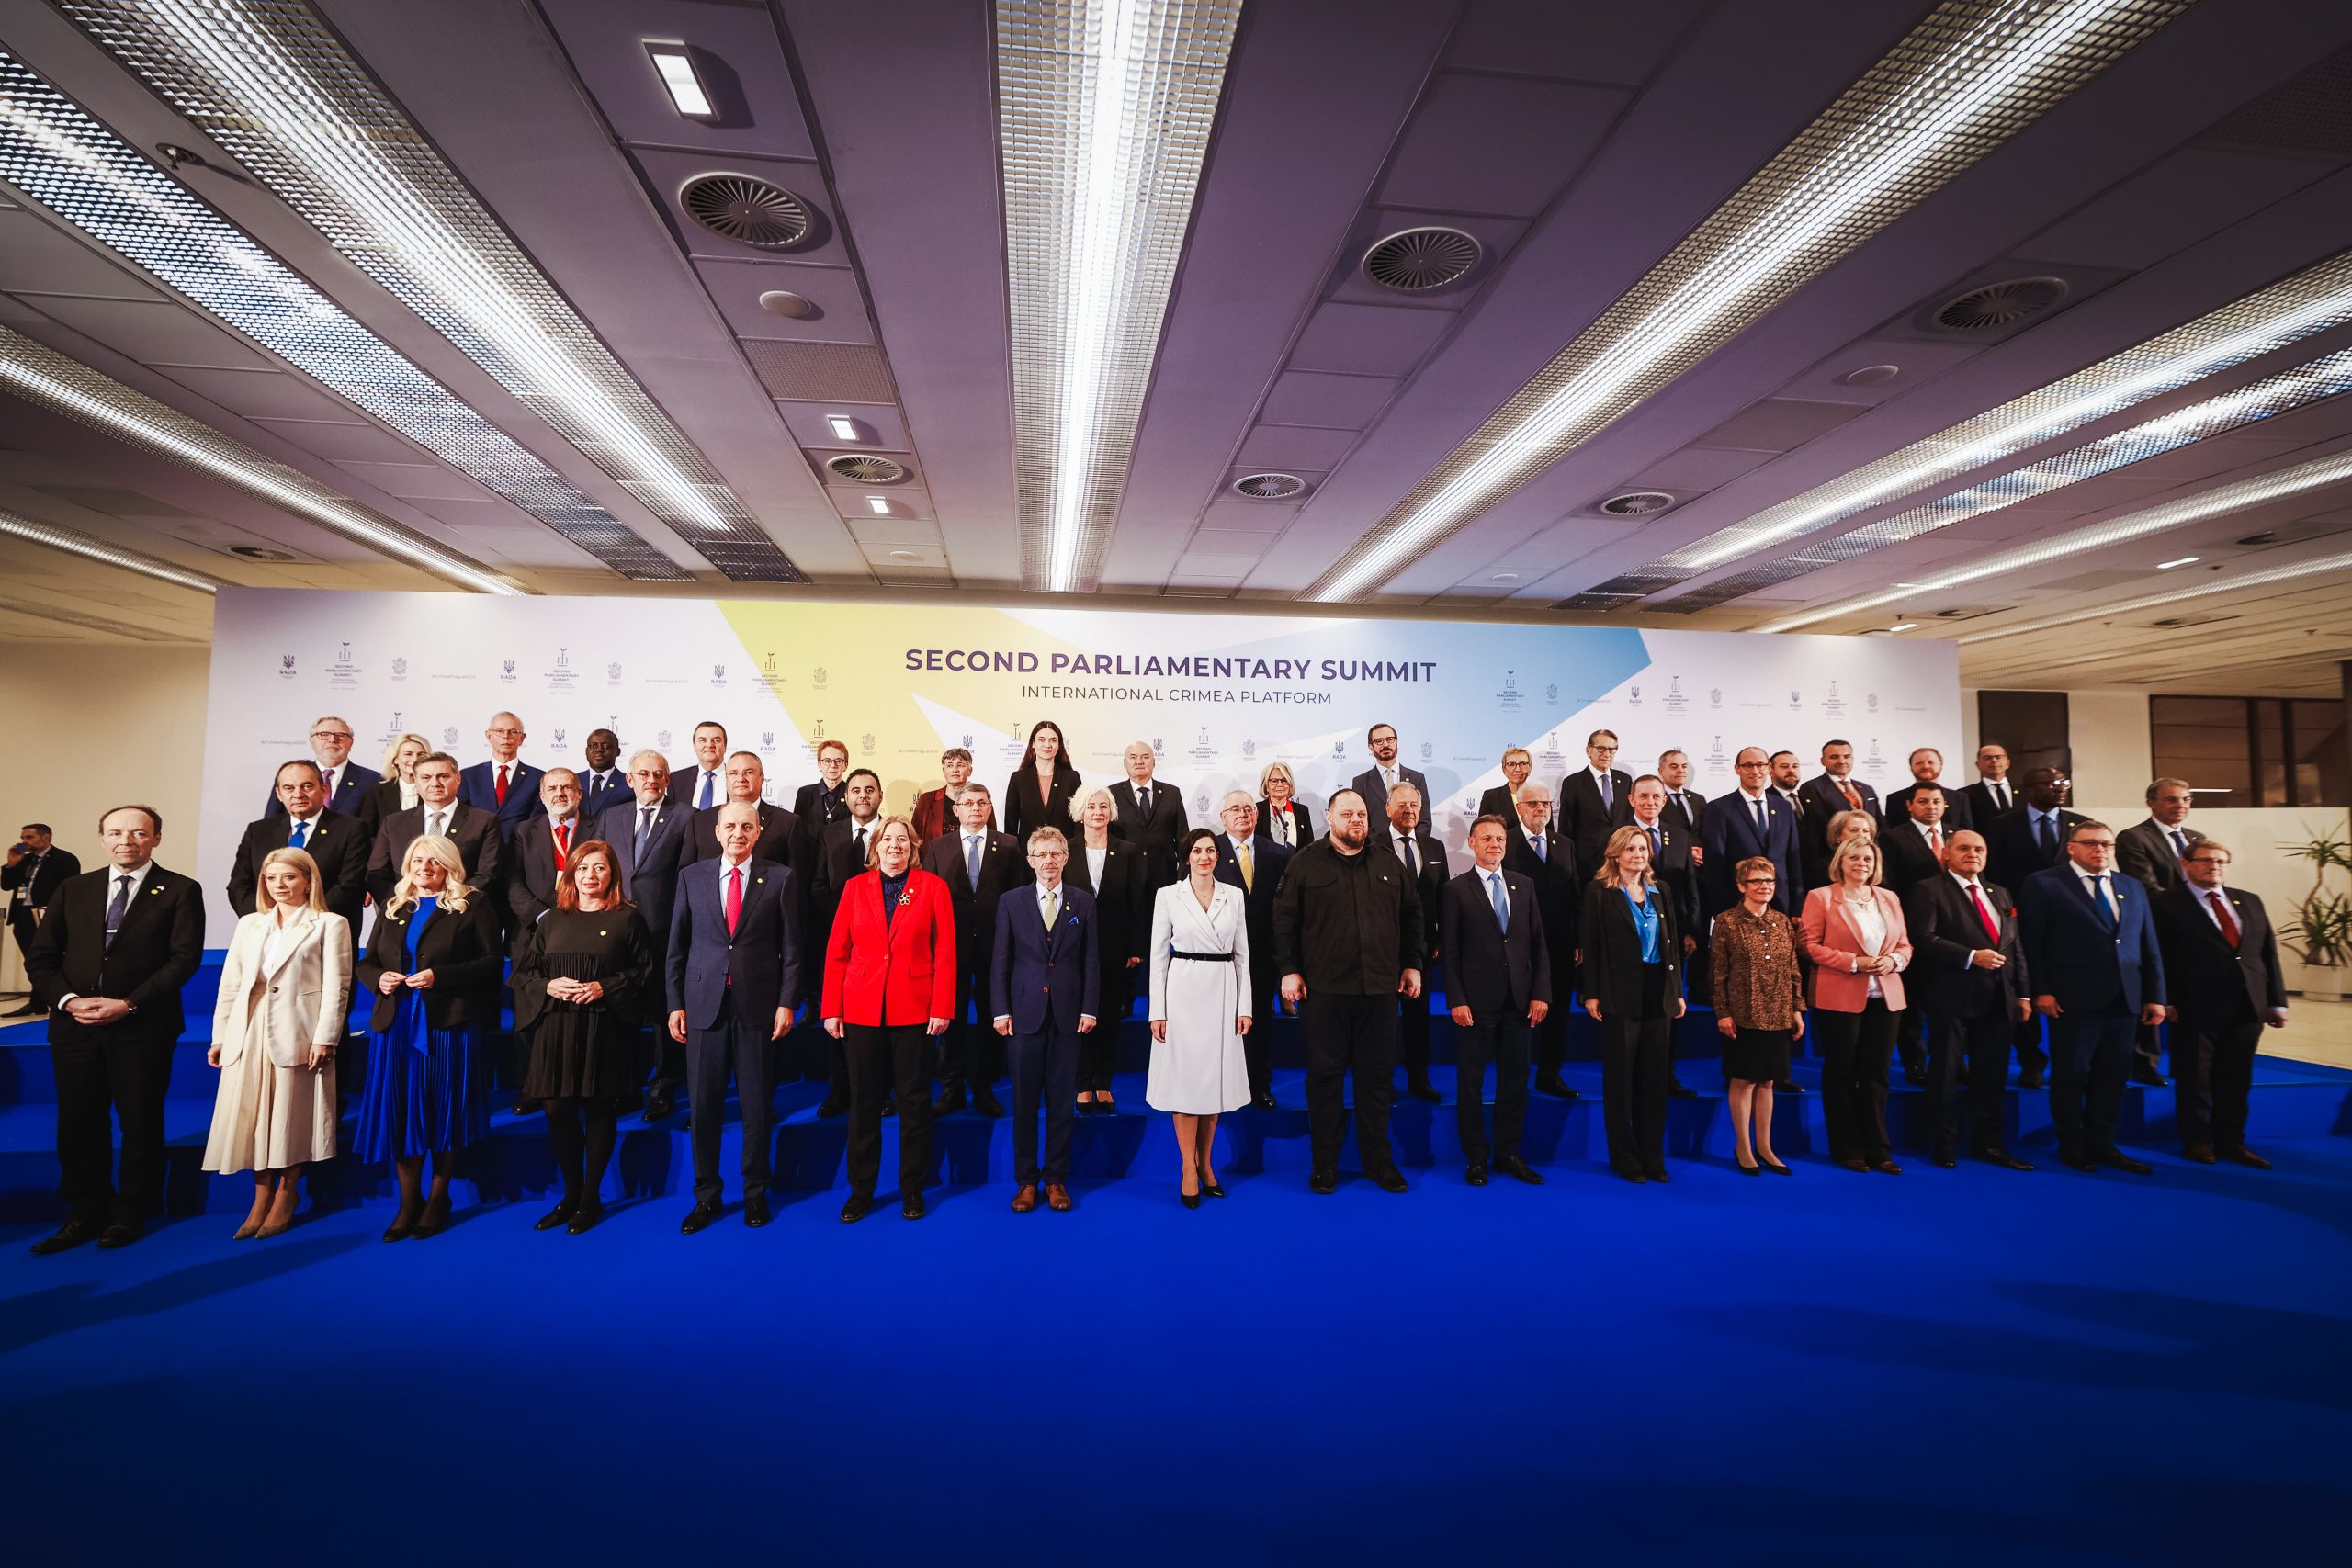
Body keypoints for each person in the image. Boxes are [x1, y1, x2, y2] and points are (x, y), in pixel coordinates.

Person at [25, 805, 204, 1254]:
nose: (127, 840)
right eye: (117, 832)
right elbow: (42, 958)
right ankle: (85, 1212)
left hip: (142, 1026)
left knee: (140, 1122)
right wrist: (68, 1001)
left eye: (139, 833)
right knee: (78, 1124)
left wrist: (128, 1003)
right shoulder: (73, 889)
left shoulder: (181, 890)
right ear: (102, 838)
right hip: (75, 1027)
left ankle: (130, 1213)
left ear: (156, 839)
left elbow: (183, 960)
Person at [1274, 788, 1424, 1194]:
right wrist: (1288, 970)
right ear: (1329, 818)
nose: (1355, 820)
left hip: (1379, 990)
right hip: (1324, 993)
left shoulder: (1388, 862)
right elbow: (1284, 921)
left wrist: (1412, 963)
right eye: (1346, 814)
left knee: (1376, 1079)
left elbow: (1412, 916)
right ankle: (1325, 1164)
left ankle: (1378, 1161)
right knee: (1325, 1079)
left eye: (1361, 814)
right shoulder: (1305, 863)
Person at [356, 833, 503, 1241]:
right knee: (402, 1110)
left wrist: (443, 976)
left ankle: (438, 1199)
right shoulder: (394, 905)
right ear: (408, 865)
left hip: (447, 1025)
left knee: (443, 1112)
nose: (425, 868)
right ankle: (408, 1204)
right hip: (397, 1023)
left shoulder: (472, 903)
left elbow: (492, 961)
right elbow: (367, 963)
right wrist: (378, 979)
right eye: (418, 860)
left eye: (434, 862)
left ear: (449, 866)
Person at [667, 801, 801, 1232]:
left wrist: (786, 1001)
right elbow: (677, 948)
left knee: (756, 1107)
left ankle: (755, 1193)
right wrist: (675, 1003)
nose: (738, 833)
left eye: (747, 826)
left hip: (758, 1007)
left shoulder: (780, 877)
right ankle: (706, 1195)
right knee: (704, 1108)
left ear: (758, 832)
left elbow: (794, 950)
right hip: (703, 1006)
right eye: (731, 826)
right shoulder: (692, 877)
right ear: (717, 832)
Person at [203, 846, 348, 1239]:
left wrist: (325, 1037)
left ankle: (287, 1193)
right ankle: (260, 1196)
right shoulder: (250, 924)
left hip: (297, 1030)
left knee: (289, 1114)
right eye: (271, 878)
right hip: (248, 1030)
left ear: (307, 881)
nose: (279, 885)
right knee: (252, 1115)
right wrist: (221, 1036)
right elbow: (230, 984)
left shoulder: (328, 923)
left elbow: (337, 987)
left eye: (289, 877)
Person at [513, 840, 653, 1234]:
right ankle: (570, 1194)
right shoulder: (553, 920)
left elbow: (645, 971)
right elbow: (524, 974)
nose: (591, 876)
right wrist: (548, 986)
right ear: (571, 874)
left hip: (603, 1025)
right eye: (584, 868)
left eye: (600, 869)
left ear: (613, 875)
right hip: (556, 1025)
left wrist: (604, 987)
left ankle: (590, 1198)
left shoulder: (628, 918)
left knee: (598, 1109)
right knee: (557, 1110)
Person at [822, 817, 955, 1223]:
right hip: (861, 1008)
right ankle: (861, 1191)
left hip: (915, 1009)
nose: (894, 845)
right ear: (874, 846)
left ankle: (912, 1189)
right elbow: (837, 950)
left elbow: (946, 951)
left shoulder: (933, 887)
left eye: (902, 839)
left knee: (914, 1104)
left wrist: (942, 1006)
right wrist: (831, 1007)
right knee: (863, 1104)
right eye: (887, 839)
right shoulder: (853, 888)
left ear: (913, 847)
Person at [2018, 820, 2166, 1175]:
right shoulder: (2044, 883)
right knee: (2071, 1074)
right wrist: (2042, 989)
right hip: (2072, 999)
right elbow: (2032, 944)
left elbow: (2148, 944)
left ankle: (2103, 1143)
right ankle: (2072, 1144)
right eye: (2091, 844)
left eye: (2106, 844)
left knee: (2113, 1076)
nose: (2100, 850)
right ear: (2072, 847)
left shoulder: (2131, 886)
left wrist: (2156, 995)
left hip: (2126, 998)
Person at [1903, 830, 2035, 1170]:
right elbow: (1922, 937)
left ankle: (1988, 1145)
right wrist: (1970, 956)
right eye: (1963, 848)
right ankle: (1944, 1146)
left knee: (1992, 1077)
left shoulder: (2000, 892)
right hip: (1951, 998)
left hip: (2000, 999)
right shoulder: (1928, 889)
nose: (1972, 853)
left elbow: (2014, 946)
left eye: (1979, 848)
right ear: (1946, 854)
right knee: (1945, 1075)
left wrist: (2022, 993)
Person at [2154, 840, 2284, 1168]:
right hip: (2194, 1006)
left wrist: (2276, 1001)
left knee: (2237, 1078)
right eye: (2207, 861)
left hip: (2247, 1005)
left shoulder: (2249, 900)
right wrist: (2164, 999)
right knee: (2196, 1079)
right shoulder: (2165, 903)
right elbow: (2159, 958)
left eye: (2222, 862)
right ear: (2185, 864)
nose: (2215, 867)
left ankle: (2231, 1140)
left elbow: (2267, 953)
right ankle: (2197, 1140)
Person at [993, 827, 1099, 1213]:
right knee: (1023, 1102)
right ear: (1030, 861)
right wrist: (1000, 1009)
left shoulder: (1083, 903)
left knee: (1060, 1102)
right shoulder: (1010, 901)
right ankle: (1026, 1181)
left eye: (1056, 853)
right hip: (1023, 1016)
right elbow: (1000, 960)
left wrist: (1089, 1008)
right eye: (1041, 855)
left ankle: (1055, 1180)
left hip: (1069, 1016)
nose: (1049, 861)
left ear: (1066, 858)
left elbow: (1091, 961)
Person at [1443, 815, 1550, 1186]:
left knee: (1515, 1081)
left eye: (1500, 839)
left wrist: (1540, 993)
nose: (1494, 845)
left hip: (1520, 1002)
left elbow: (1538, 945)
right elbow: (1451, 952)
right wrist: (1456, 998)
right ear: (1471, 843)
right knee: (1471, 1082)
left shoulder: (1525, 886)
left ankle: (1508, 1153)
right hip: (1475, 1004)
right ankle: (1476, 1156)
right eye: (1486, 838)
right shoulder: (1456, 889)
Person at [1148, 827, 1251, 1207]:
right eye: (1197, 850)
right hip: (1182, 992)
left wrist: (1245, 1007)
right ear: (1186, 856)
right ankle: (1187, 1169)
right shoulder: (1167, 896)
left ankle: (1206, 1164)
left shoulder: (1234, 896)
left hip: (1222, 992)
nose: (1205, 856)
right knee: (1185, 1083)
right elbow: (1158, 957)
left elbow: (1242, 956)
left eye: (1210, 850)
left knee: (1213, 1085)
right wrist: (1156, 1011)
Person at [1801, 839, 1913, 1174]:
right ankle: (1848, 1148)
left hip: (1887, 995)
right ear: (1841, 860)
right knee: (1842, 1072)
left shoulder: (1889, 898)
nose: (1861, 862)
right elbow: (1808, 945)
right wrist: (1855, 962)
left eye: (1868, 857)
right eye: (1854, 857)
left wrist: (1893, 960)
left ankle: (1879, 1150)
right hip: (1839, 995)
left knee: (1877, 1075)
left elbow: (1906, 945)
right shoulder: (1821, 897)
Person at [1581, 824, 1686, 1182]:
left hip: (1660, 993)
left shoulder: (1662, 891)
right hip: (1618, 994)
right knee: (1621, 1082)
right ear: (1616, 855)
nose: (1638, 856)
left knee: (1654, 1082)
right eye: (1631, 850)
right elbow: (1591, 947)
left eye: (1643, 849)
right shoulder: (1599, 892)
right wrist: (1591, 993)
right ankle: (1624, 1157)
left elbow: (1671, 944)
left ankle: (1653, 1157)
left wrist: (1679, 990)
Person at [922, 783, 1029, 1115]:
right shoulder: (938, 848)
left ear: (990, 806)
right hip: (950, 947)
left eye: (981, 802)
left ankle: (984, 1087)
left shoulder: (1010, 845)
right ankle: (952, 1086)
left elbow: (1018, 899)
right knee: (949, 1017)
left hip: (995, 946)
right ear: (956, 808)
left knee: (989, 1016)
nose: (975, 808)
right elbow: (927, 900)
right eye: (967, 803)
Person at [596, 750, 691, 1120]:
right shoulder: (611, 815)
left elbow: (689, 874)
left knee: (662, 1013)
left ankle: (664, 1088)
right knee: (621, 1012)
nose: (651, 780)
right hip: (616, 931)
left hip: (664, 931)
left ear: (668, 780)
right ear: (629, 779)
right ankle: (626, 1088)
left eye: (659, 774)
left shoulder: (686, 817)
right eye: (643, 774)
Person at [1982, 764, 2082, 1089]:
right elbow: (1993, 875)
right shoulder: (2002, 825)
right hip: (2018, 919)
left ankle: (2071, 1061)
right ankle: (2031, 1060)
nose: (2060, 787)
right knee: (2023, 990)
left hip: (2068, 923)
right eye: (2052, 783)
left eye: (2063, 782)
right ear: (2030, 788)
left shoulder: (2078, 825)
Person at [1710, 856, 1801, 1176]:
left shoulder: (1782, 922)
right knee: (1744, 1080)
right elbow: (1718, 972)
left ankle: (1765, 1146)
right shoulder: (1726, 921)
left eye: (1769, 881)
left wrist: (1796, 1008)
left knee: (1767, 1082)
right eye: (1757, 882)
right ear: (1741, 886)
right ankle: (1743, 1147)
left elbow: (1792, 968)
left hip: (1777, 1012)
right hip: (1742, 1013)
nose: (1765, 887)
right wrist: (1723, 1012)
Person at [2116, 777, 2206, 1089]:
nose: (2180, 805)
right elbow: (2146, 887)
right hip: (2156, 927)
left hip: (2194, 933)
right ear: (2152, 803)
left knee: (2189, 996)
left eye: (2185, 799)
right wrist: (2192, 909)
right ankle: (2144, 1062)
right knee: (2153, 995)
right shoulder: (2133, 838)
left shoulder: (2197, 839)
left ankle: (2188, 1062)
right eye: (2172, 800)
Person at [1067, 784, 1147, 1113]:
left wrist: (1135, 946)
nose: (1097, 812)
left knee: (1109, 1019)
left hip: (1116, 948)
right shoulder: (1066, 848)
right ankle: (1083, 1083)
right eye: (1091, 807)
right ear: (1080, 811)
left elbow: (1137, 902)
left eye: (1103, 806)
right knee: (1080, 1018)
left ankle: (1103, 1084)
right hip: (1074, 948)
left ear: (1111, 812)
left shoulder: (1127, 850)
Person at [809, 769, 886, 1115]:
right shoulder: (829, 834)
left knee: (883, 1023)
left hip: (885, 947)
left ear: (880, 796)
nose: (862, 796)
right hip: (838, 941)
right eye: (855, 790)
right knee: (836, 1021)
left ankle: (884, 1093)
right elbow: (818, 886)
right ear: (846, 796)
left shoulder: (893, 834)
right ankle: (839, 1091)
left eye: (870, 790)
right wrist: (843, 927)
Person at [1621, 775, 1701, 1097]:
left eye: (1656, 796)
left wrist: (1691, 929)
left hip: (1671, 940)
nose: (1650, 802)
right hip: (1630, 942)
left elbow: (1690, 889)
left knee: (1669, 1010)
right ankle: (1633, 1076)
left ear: (1664, 800)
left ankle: (1666, 1075)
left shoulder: (1679, 836)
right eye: (1643, 796)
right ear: (1631, 800)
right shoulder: (1619, 835)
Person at [1503, 782, 1580, 1100]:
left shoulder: (1565, 844)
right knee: (1518, 1011)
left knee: (1558, 1010)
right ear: (1519, 808)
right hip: (1519, 944)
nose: (1541, 809)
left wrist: (1578, 939)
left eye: (1546, 804)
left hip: (1560, 944)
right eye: (1533, 803)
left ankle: (1550, 1073)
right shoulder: (1502, 840)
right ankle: (1514, 1076)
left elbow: (1575, 894)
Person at [1210, 791, 1287, 1111]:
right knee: (1221, 1024)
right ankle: (1224, 1086)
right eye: (1234, 809)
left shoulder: (1279, 854)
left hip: (1264, 955)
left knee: (1260, 1023)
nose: (1242, 813)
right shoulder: (1207, 850)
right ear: (1223, 817)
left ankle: (1259, 1086)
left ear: (1256, 816)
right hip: (1220, 957)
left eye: (1248, 809)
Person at [228, 760, 368, 934]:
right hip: (266, 932)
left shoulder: (351, 829)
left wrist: (299, 920)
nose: (298, 794)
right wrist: (267, 918)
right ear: (279, 794)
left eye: (307, 786)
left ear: (324, 790)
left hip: (324, 932)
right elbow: (238, 886)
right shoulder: (258, 831)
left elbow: (349, 886)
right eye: (289, 788)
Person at [1375, 780, 1447, 1103]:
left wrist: (1440, 938)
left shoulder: (1435, 847)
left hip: (1423, 951)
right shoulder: (1373, 846)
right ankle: (1384, 1082)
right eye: (1401, 805)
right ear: (1388, 809)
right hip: (1383, 951)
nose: (1408, 810)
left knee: (1419, 1020)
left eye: (1414, 805)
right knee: (1385, 1022)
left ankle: (1420, 1079)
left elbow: (1442, 896)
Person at [1878, 788, 1951, 1084]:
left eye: (1936, 801)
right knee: (1912, 1002)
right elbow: (1890, 886)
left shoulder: (1958, 835)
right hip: (1912, 929)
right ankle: (1916, 1062)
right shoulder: (1893, 837)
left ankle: (1951, 1061)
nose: (1930, 806)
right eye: (1923, 801)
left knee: (1949, 1004)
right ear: (1910, 805)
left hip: (1952, 931)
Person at [368, 752, 504, 908]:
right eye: (426, 777)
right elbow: (377, 873)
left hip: (461, 911)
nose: (435, 783)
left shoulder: (483, 822)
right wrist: (402, 902)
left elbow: (487, 874)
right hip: (404, 910)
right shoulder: (393, 823)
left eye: (443, 776)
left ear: (458, 779)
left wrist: (447, 902)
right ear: (415, 781)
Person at [1701, 748, 1801, 918]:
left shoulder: (1784, 807)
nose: (1755, 771)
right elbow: (1714, 865)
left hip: (1781, 904)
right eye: (1748, 765)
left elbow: (1793, 859)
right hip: (1737, 904)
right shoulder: (1719, 808)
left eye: (1760, 765)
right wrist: (1722, 909)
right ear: (1737, 769)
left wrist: (1797, 907)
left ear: (1769, 768)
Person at [4, 823, 78, 1016]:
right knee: (32, 961)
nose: (24, 842)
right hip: (23, 916)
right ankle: (37, 1002)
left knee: (50, 960)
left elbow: (69, 890)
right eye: (23, 838)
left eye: (29, 837)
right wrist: (11, 864)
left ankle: (56, 1000)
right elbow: (6, 885)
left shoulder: (64, 859)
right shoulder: (24, 860)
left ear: (46, 838)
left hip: (48, 917)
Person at [507, 768, 586, 943]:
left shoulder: (600, 828)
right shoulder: (523, 831)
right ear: (542, 797)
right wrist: (541, 915)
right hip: (533, 930)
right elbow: (512, 880)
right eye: (552, 789)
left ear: (579, 794)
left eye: (567, 787)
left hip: (585, 927)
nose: (560, 793)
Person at [683, 751, 797, 866]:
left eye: (749, 773)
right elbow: (686, 875)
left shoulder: (788, 824)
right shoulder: (700, 821)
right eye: (734, 773)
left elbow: (795, 879)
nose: (741, 778)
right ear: (726, 778)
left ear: (762, 778)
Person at [263, 714, 380, 818]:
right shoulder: (289, 775)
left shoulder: (372, 780)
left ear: (351, 743)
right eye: (324, 735)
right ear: (312, 741)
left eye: (341, 735)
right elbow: (271, 824)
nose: (332, 740)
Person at [1798, 740, 1880, 888]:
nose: (1842, 761)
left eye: (1846, 756)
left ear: (1853, 759)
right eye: (1834, 757)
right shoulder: (1812, 788)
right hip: (1832, 864)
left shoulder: (1867, 789)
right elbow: (1815, 830)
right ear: (1823, 761)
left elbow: (1880, 824)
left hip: (1867, 866)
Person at [1111, 739, 1190, 887]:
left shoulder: (1172, 793)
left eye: (1145, 757)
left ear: (1153, 763)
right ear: (1125, 763)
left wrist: (1184, 871)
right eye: (1133, 757)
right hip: (1126, 876)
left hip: (1165, 876)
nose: (1139, 761)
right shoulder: (1111, 794)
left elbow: (1183, 837)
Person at [1560, 729, 1632, 878]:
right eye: (1601, 748)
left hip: (1621, 860)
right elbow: (1566, 827)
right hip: (1586, 863)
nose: (1607, 753)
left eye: (1612, 749)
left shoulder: (1625, 780)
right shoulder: (1573, 783)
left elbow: (1629, 819)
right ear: (1588, 750)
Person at [459, 711, 544, 834]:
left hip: (520, 848)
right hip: (479, 848)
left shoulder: (538, 778)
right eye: (499, 731)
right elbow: (461, 817)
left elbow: (538, 821)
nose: (506, 736)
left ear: (522, 738)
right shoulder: (469, 776)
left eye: (513, 731)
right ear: (489, 736)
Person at [1002, 719, 1080, 845]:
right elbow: (1010, 825)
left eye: (1053, 740)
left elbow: (1078, 821)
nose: (1047, 745)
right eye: (1041, 739)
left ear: (1059, 745)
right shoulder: (1018, 779)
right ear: (1032, 743)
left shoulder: (1072, 778)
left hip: (1063, 855)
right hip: (1028, 857)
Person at [791, 738, 854, 871]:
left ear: (846, 765)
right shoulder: (805, 794)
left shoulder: (853, 793)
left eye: (838, 761)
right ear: (819, 764)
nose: (833, 765)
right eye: (827, 761)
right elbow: (797, 835)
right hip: (809, 865)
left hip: (842, 865)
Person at [357, 730, 432, 839]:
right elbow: (367, 834)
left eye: (421, 754)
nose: (415, 759)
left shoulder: (436, 790)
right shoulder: (377, 793)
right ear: (395, 759)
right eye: (408, 754)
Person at [913, 746, 995, 844]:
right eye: (950, 765)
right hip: (936, 857)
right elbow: (915, 837)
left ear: (970, 771)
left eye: (960, 765)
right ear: (943, 771)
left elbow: (992, 835)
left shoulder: (981, 800)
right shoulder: (927, 800)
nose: (955, 770)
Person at [1351, 721, 1430, 822]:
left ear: (1397, 742)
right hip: (1375, 838)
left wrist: (1410, 838)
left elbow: (1425, 820)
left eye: (1390, 739)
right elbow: (1360, 820)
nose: (1385, 744)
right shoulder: (1360, 782)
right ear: (1371, 747)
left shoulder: (1417, 779)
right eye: (1379, 741)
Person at [1883, 747, 1973, 830]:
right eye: (1919, 763)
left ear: (1941, 766)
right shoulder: (1895, 799)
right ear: (1911, 768)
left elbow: (1968, 832)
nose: (1925, 766)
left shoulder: (1959, 798)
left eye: (1931, 762)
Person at [670, 720, 729, 813]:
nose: (709, 745)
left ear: (725, 746)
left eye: (716, 740)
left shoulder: (737, 778)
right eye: (703, 740)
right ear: (694, 746)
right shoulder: (675, 780)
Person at [1257, 760, 1314, 851]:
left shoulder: (1302, 810)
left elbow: (1309, 846)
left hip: (1296, 864)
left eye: (1284, 780)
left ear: (1290, 784)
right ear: (1266, 786)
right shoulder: (1256, 810)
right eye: (1274, 781)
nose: (1280, 784)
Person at [1961, 742, 2019, 825]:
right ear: (1978, 765)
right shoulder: (1965, 794)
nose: (1994, 761)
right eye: (1987, 758)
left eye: (1998, 757)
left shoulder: (2025, 790)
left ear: (2008, 763)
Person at [1656, 750, 1707, 839]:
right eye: (1674, 767)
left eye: (1684, 766)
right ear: (1661, 771)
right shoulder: (1654, 800)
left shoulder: (1698, 799)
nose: (1681, 770)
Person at [577, 728, 629, 815]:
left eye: (606, 746)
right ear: (586, 751)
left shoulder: (629, 784)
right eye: (593, 745)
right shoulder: (573, 781)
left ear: (618, 752)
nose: (599, 750)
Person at [1476, 746, 1534, 822]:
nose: (1517, 769)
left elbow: (1549, 832)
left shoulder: (1541, 796)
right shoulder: (1491, 797)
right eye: (1511, 764)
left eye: (1523, 764)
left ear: (1530, 768)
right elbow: (1483, 829)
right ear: (1504, 770)